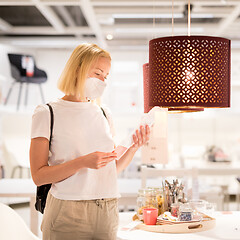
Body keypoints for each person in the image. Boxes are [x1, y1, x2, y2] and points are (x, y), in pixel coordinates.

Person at [30, 43, 150, 240]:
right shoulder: (47, 113)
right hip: (67, 211)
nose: (103, 81)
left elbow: (112, 168)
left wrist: (133, 147)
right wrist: (83, 162)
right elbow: (38, 176)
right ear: (78, 69)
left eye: (106, 76)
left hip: (107, 209)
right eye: (98, 73)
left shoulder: (104, 113)